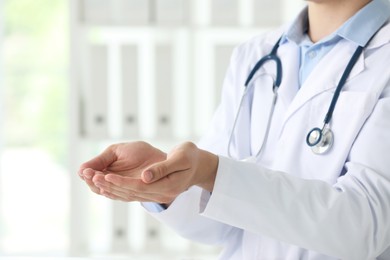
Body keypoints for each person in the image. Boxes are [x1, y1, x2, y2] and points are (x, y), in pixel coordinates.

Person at [78, 0, 390, 258]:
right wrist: (172, 181)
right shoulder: (255, 55)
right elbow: (218, 225)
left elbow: (364, 228)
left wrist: (212, 173)